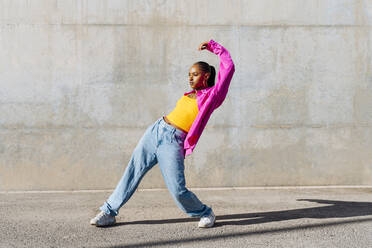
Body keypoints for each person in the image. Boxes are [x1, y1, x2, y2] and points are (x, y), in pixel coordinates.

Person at [90, 39, 235, 228]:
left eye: (195, 75)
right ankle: (108, 212)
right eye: (189, 75)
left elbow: (229, 67)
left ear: (206, 76)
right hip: (156, 130)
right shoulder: (189, 94)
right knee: (132, 171)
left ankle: (205, 212)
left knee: (177, 189)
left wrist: (214, 48)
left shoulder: (212, 96)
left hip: (173, 141)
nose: (190, 78)